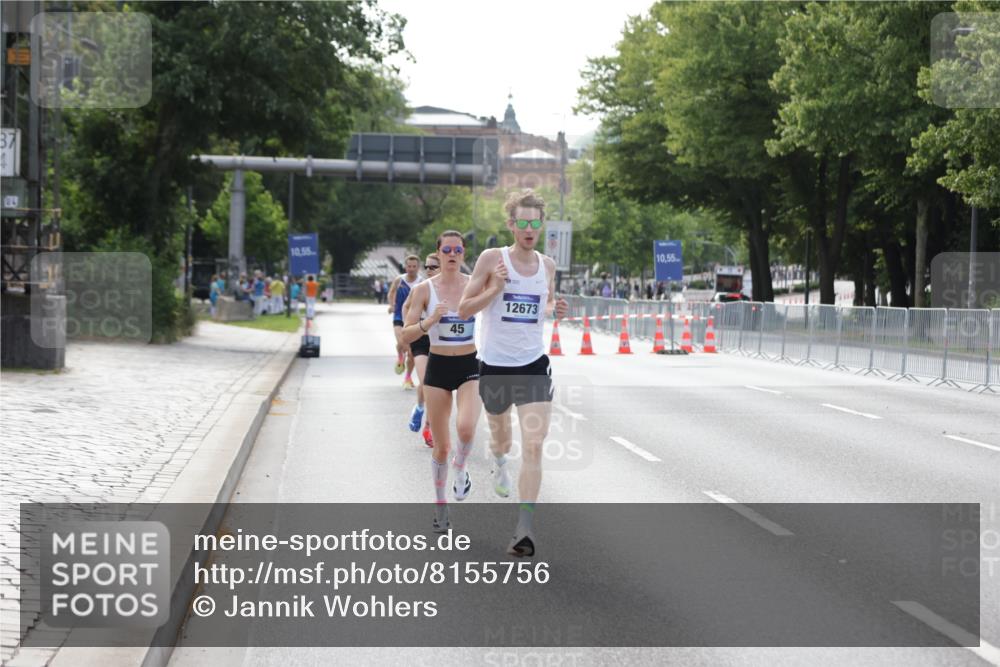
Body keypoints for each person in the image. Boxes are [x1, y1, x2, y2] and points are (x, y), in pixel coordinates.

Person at [458, 189, 568, 557]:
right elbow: (463, 309)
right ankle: (500, 461)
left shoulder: (547, 265)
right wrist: (495, 289)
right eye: (522, 222)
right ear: (510, 224)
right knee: (501, 438)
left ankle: (524, 529)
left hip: (533, 364)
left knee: (534, 445)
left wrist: (555, 307)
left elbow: (546, 299)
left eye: (535, 222)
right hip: (494, 365)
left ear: (541, 226)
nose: (529, 228)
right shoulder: (492, 259)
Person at [402, 232, 479, 533]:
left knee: (467, 427)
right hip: (438, 367)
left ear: (463, 254)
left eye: (457, 249)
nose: (452, 254)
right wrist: (430, 321)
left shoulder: (474, 285)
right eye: (446, 249)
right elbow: (407, 334)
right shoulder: (424, 290)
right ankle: (440, 506)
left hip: (469, 363)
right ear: (437, 252)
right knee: (442, 446)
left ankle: (461, 472)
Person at [403, 254, 440, 448]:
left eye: (433, 267)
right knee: (426, 381)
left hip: (442, 342)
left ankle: (428, 423)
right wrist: (408, 329)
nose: (429, 270)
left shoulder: (453, 288)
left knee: (436, 388)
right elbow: (405, 306)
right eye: (427, 266)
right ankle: (420, 409)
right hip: (421, 339)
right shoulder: (421, 288)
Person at [389, 256, 421, 388]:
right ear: (405, 267)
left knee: (412, 352)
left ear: (418, 267)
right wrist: (392, 305)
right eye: (409, 266)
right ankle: (400, 355)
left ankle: (408, 378)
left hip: (413, 319)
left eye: (414, 266)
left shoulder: (422, 282)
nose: (411, 269)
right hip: (398, 317)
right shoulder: (399, 280)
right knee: (403, 344)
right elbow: (391, 293)